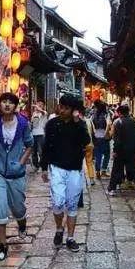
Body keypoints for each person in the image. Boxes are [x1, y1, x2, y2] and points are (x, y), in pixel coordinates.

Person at [0, 92, 33, 261]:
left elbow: (30, 145)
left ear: (15, 106)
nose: (7, 105)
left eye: (11, 102)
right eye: (4, 101)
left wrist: (21, 163)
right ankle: (2, 246)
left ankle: (22, 221)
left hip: (16, 173)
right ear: (0, 104)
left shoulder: (23, 123)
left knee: (18, 207)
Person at [40, 94, 91, 252]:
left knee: (72, 204)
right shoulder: (52, 124)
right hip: (57, 167)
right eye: (61, 107)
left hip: (75, 168)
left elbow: (86, 141)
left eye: (66, 108)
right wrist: (44, 167)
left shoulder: (80, 125)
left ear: (73, 110)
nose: (62, 110)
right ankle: (59, 229)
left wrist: (77, 121)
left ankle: (70, 237)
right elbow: (46, 146)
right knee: (57, 201)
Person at [107, 105, 135, 199]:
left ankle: (111, 189)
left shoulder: (118, 122)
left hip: (121, 151)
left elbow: (117, 139)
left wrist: (115, 150)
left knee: (116, 170)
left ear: (120, 113)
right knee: (134, 170)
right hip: (131, 150)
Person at [91, 100, 112, 179]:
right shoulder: (106, 114)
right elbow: (108, 124)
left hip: (96, 136)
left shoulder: (93, 114)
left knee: (98, 155)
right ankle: (103, 171)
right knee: (107, 154)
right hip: (104, 137)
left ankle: (97, 172)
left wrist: (94, 134)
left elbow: (91, 125)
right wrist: (106, 134)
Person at [80, 108, 96, 186]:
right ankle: (91, 178)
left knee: (79, 162)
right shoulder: (89, 121)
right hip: (90, 144)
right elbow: (94, 132)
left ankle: (81, 179)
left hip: (80, 146)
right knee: (89, 162)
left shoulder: (77, 122)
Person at [30, 101, 48, 171]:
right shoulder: (34, 113)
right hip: (33, 134)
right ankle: (35, 165)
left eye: (41, 105)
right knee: (33, 151)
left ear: (43, 106)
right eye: (38, 104)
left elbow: (42, 112)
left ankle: (42, 166)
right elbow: (32, 124)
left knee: (41, 152)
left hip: (41, 134)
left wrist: (38, 108)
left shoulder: (44, 113)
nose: (38, 106)